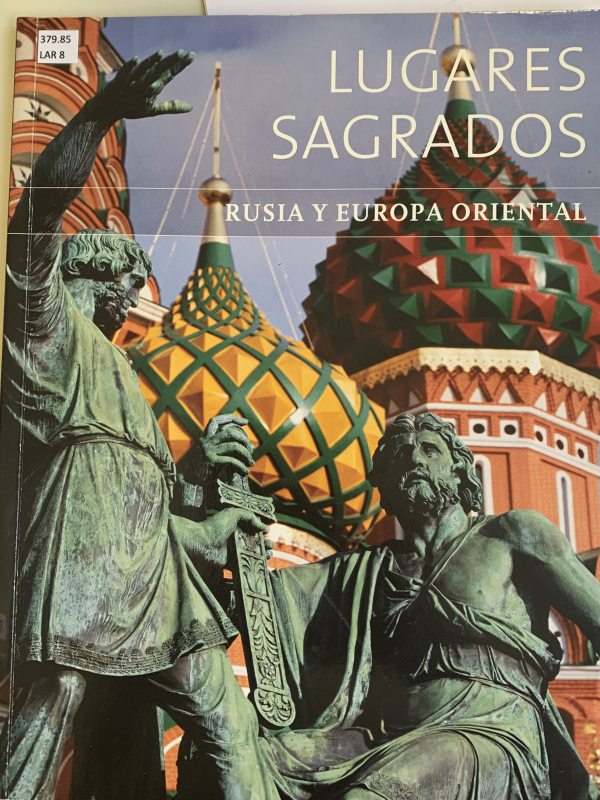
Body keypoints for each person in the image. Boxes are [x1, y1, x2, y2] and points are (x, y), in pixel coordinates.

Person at [0, 51, 279, 800]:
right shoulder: (46, 330)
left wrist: (193, 476)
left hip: (153, 576)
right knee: (57, 693)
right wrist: (96, 117)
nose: (131, 300)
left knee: (226, 715)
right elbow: (35, 219)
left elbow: (146, 501)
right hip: (78, 559)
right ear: (87, 276)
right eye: (124, 283)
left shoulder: (126, 375)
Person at [178, 411, 600, 800]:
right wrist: (194, 481)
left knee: (369, 796)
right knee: (231, 760)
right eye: (400, 455)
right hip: (378, 734)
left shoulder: (511, 534)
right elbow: (237, 600)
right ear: (384, 485)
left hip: (488, 733)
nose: (414, 458)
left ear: (459, 471)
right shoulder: (362, 570)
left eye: (429, 450)